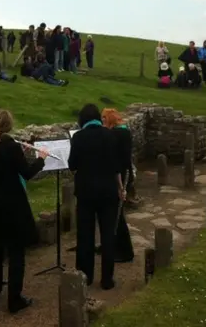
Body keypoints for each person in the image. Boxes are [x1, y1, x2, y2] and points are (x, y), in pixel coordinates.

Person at [0, 110, 49, 314]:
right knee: (17, 254)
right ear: (10, 126)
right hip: (13, 206)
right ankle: (14, 299)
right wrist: (41, 158)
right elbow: (26, 174)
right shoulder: (12, 147)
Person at [68, 103, 123, 289]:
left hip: (85, 192)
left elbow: (72, 165)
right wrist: (120, 188)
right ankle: (107, 279)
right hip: (108, 191)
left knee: (85, 235)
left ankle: (85, 276)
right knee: (108, 235)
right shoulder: (109, 135)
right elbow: (117, 166)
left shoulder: (78, 137)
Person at [101, 108, 135, 263]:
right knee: (116, 214)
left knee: (117, 215)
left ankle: (125, 251)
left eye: (104, 118)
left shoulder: (115, 134)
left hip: (119, 175)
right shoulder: (123, 132)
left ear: (110, 119)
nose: (102, 121)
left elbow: (114, 158)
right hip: (124, 172)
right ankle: (114, 246)